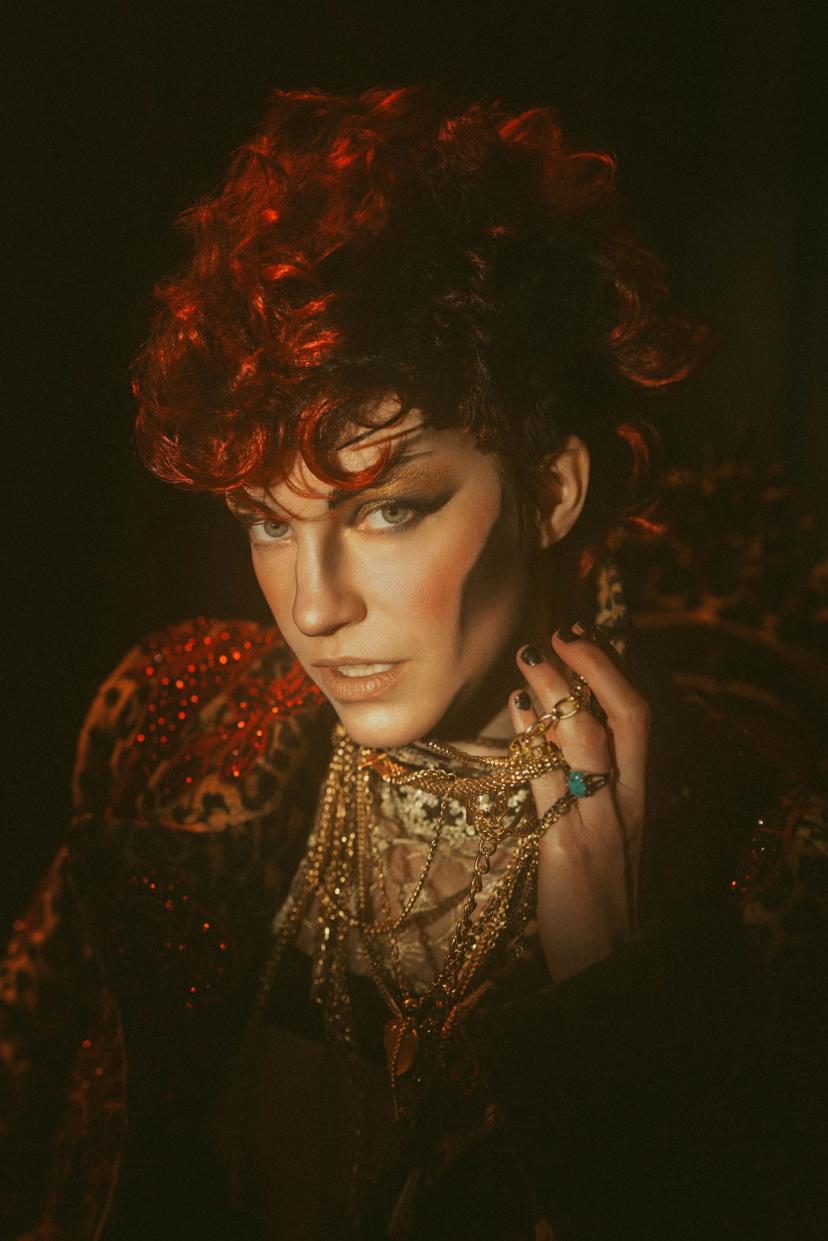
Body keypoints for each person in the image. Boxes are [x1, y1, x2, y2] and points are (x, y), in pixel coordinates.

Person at [1, 87, 824, 1241]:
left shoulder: (762, 873)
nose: (314, 606)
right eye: (268, 520)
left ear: (550, 489)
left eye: (387, 510)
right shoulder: (169, 725)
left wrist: (612, 1011)